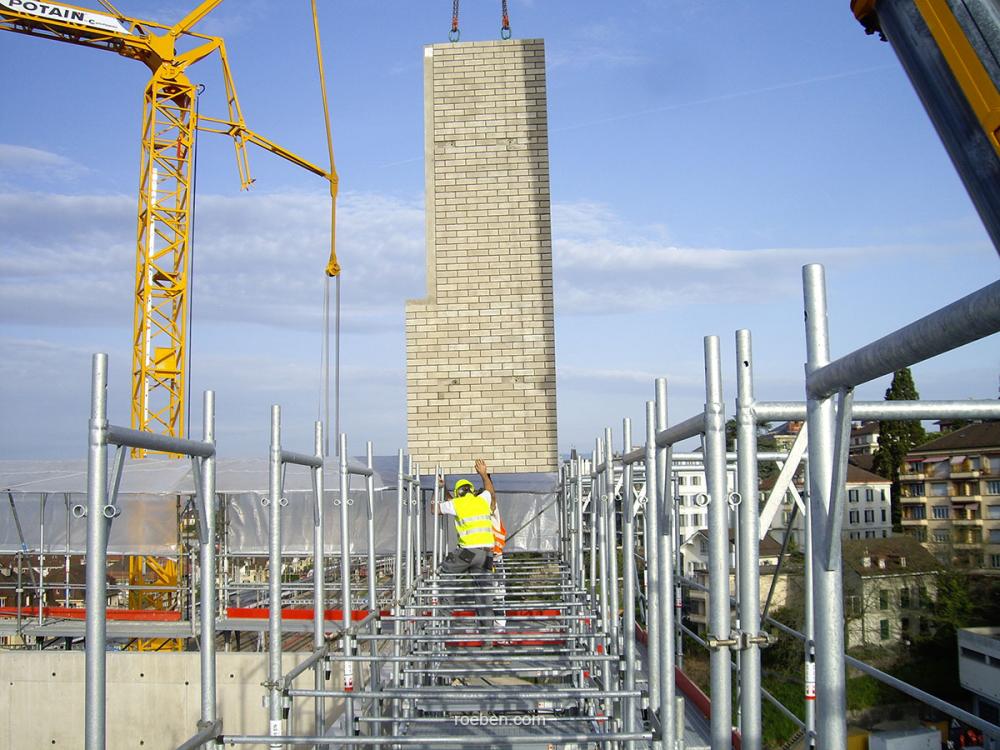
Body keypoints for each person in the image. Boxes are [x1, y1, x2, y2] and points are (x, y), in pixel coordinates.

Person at [435, 458, 498, 634]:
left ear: (458, 493)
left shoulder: (457, 504)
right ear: (471, 490)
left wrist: (439, 488)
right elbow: (490, 490)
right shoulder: (482, 500)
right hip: (486, 555)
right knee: (484, 594)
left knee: (446, 573)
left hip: (467, 553)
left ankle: (444, 616)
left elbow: (436, 509)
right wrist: (483, 474)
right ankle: (487, 638)